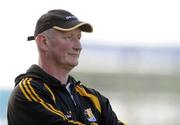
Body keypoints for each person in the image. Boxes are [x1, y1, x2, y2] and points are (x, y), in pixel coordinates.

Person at [7, 9, 126, 125]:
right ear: (43, 42)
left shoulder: (93, 98)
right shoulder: (28, 93)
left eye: (79, 38)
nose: (78, 46)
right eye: (69, 37)